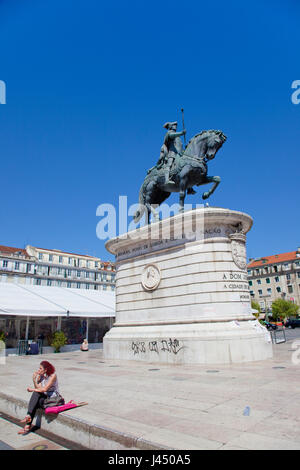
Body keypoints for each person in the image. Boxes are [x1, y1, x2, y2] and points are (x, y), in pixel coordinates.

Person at [18, 360, 60, 435]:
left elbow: (44, 389)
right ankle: (28, 418)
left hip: (53, 399)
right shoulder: (42, 376)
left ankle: (28, 423)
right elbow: (38, 388)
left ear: (45, 369)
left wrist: (32, 389)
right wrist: (34, 380)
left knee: (35, 398)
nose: (38, 370)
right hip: (45, 398)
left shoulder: (53, 376)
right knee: (35, 399)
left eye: (40, 368)